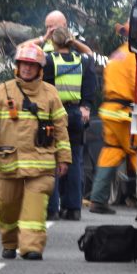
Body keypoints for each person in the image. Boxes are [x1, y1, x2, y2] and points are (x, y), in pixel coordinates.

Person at [0, 43, 71, 260]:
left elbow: (61, 129)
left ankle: (31, 248)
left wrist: (64, 158)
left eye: (31, 65)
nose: (26, 69)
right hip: (10, 163)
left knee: (34, 211)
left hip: (41, 165)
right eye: (23, 64)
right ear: (17, 66)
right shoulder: (3, 91)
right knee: (7, 207)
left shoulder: (50, 94)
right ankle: (9, 242)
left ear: (39, 69)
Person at [42, 19, 96, 222]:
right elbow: (90, 55)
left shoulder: (48, 60)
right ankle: (73, 208)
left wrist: (44, 38)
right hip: (76, 114)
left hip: (53, 114)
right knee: (74, 160)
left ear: (54, 43)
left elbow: (29, 59)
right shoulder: (81, 61)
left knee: (52, 159)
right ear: (70, 41)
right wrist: (86, 106)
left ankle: (51, 208)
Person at [89, 22, 137, 215]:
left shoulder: (118, 53)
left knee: (112, 151)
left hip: (109, 110)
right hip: (123, 113)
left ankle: (98, 199)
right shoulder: (136, 56)